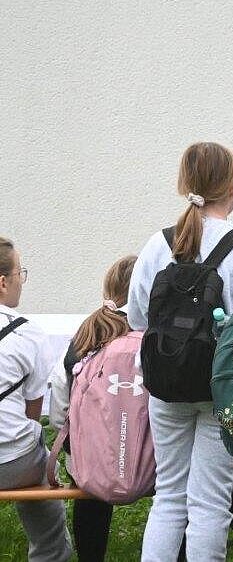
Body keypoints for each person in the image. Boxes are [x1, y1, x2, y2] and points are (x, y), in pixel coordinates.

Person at [126, 142, 233, 562]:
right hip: (225, 389)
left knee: (170, 497)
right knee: (211, 503)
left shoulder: (157, 245)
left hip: (166, 385)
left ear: (184, 185)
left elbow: (138, 316)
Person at [47, 255, 136, 561]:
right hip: (150, 464)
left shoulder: (84, 337)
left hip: (88, 463)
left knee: (92, 480)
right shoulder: (153, 336)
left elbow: (60, 406)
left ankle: (90, 556)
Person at [0, 237, 72, 562]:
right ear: (3, 282)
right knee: (42, 460)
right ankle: (50, 555)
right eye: (20, 273)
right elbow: (32, 415)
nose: (21, 281)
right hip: (15, 464)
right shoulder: (27, 333)